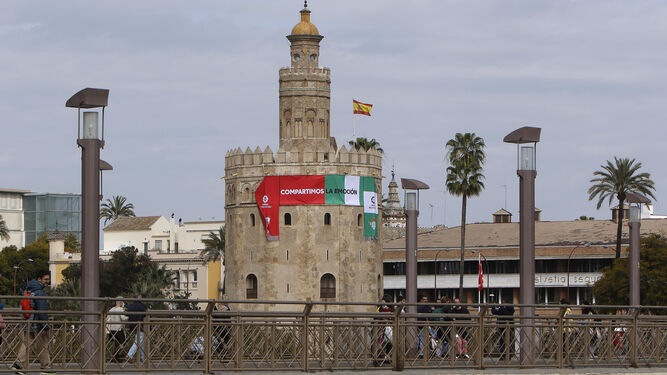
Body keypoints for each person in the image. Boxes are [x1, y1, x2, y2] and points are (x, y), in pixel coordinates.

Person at [11, 270, 52, 375]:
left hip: (28, 322)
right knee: (43, 345)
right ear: (39, 279)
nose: (47, 281)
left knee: (27, 343)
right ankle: (46, 368)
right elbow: (42, 311)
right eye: (45, 279)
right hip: (37, 324)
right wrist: (45, 326)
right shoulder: (39, 292)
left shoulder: (27, 290)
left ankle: (18, 365)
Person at [125, 295, 148, 362]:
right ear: (139, 298)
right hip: (141, 325)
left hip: (132, 326)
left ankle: (143, 357)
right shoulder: (142, 306)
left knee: (140, 341)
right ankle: (129, 355)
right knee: (139, 341)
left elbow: (127, 315)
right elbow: (147, 313)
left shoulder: (130, 307)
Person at [491, 296, 515, 361]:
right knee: (508, 341)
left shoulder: (503, 308)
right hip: (509, 326)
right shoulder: (511, 308)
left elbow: (494, 312)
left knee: (503, 341)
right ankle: (508, 355)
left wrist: (493, 306)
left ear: (504, 302)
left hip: (503, 326)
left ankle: (504, 355)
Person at [106, 297, 128, 362]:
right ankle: (116, 355)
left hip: (112, 329)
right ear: (120, 302)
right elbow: (123, 318)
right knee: (123, 343)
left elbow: (108, 318)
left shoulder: (111, 310)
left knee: (116, 343)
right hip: (119, 329)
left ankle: (116, 357)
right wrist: (129, 317)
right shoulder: (120, 309)